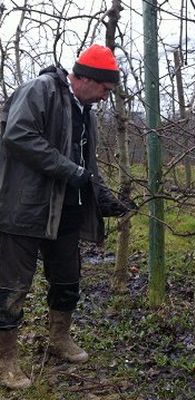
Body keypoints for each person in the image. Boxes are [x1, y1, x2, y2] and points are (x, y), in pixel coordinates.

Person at [0, 44, 135, 389]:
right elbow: (18, 135)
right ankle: (6, 361)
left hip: (66, 212)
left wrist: (103, 197)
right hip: (24, 208)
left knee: (67, 278)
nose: (106, 97)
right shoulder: (40, 90)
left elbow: (85, 165)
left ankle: (59, 339)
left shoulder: (85, 109)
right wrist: (69, 170)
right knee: (12, 286)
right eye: (105, 89)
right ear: (86, 78)